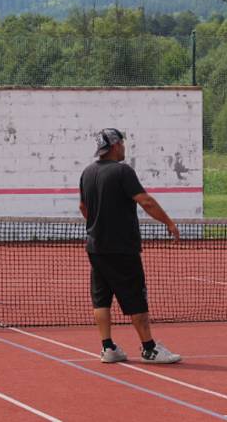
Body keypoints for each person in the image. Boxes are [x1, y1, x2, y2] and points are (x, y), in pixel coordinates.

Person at [79, 128, 182, 364]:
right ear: (115, 145)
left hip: (96, 248)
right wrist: (168, 222)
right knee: (135, 298)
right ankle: (149, 349)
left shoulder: (87, 172)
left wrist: (98, 225)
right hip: (122, 248)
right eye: (122, 143)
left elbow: (83, 208)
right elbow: (145, 201)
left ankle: (108, 348)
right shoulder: (123, 171)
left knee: (101, 299)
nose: (124, 147)